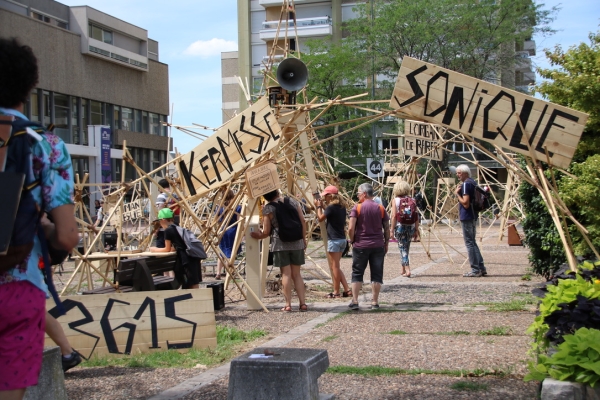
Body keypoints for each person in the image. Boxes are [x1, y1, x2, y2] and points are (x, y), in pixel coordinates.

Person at [0, 37, 79, 399]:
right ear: (30, 86)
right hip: (18, 283)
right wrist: (43, 226)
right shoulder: (45, 144)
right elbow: (66, 237)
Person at [250, 189, 308, 312]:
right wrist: (304, 239)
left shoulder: (268, 209)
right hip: (297, 242)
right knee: (297, 274)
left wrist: (257, 235)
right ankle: (303, 303)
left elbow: (266, 232)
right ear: (277, 192)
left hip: (280, 244)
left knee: (286, 274)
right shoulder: (292, 201)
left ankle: (288, 304)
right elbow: (303, 221)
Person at [347, 183, 390, 310]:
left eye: (359, 193)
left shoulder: (357, 208)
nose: (358, 196)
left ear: (364, 194)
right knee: (377, 273)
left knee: (357, 272)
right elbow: (386, 229)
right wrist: (386, 242)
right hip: (377, 245)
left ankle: (355, 301)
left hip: (361, 245)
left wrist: (353, 239)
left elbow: (350, 227)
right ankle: (375, 302)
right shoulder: (381, 208)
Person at [150, 208, 201, 289]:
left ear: (163, 220)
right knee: (193, 283)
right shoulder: (177, 227)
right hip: (192, 257)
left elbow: (167, 249)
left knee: (189, 284)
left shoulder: (168, 231)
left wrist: (154, 249)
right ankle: (197, 300)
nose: (159, 223)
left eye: (159, 221)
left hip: (185, 260)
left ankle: (193, 300)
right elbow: (174, 247)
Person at [315, 185, 351, 299]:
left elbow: (320, 217)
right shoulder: (341, 207)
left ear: (330, 196)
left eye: (325, 196)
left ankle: (336, 292)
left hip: (334, 240)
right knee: (336, 266)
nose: (324, 198)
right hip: (342, 239)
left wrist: (318, 207)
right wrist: (322, 206)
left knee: (334, 267)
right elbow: (329, 213)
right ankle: (347, 289)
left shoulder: (331, 207)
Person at [455, 164, 487, 277]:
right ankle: (481, 267)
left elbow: (465, 203)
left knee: (469, 243)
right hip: (473, 215)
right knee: (473, 242)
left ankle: (475, 269)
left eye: (459, 173)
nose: (457, 175)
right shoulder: (473, 182)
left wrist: (457, 194)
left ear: (464, 173)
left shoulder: (466, 184)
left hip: (467, 216)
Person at [389, 180, 419, 277]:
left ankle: (408, 269)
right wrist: (416, 230)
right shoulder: (413, 200)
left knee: (402, 248)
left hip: (400, 226)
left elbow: (393, 216)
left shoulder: (395, 200)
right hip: (411, 226)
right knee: (406, 247)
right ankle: (403, 269)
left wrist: (391, 229)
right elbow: (416, 216)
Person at [216, 189, 242, 280]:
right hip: (233, 231)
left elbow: (217, 220)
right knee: (230, 254)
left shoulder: (220, 208)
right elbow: (239, 221)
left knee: (221, 253)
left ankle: (218, 273)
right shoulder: (237, 207)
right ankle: (228, 273)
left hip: (222, 231)